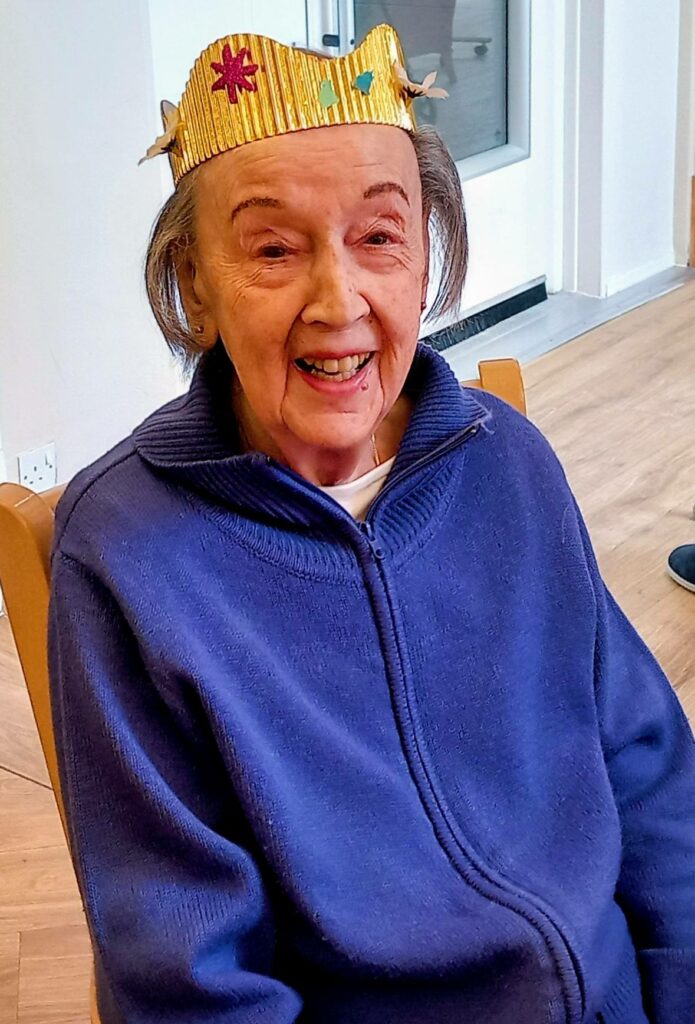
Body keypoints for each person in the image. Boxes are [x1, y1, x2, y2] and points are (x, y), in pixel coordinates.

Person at [47, 24, 695, 1024]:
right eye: (272, 248)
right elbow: (187, 977)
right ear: (194, 284)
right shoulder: (126, 553)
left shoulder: (507, 464)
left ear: (424, 257)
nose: (336, 300)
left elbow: (650, 778)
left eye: (379, 236)